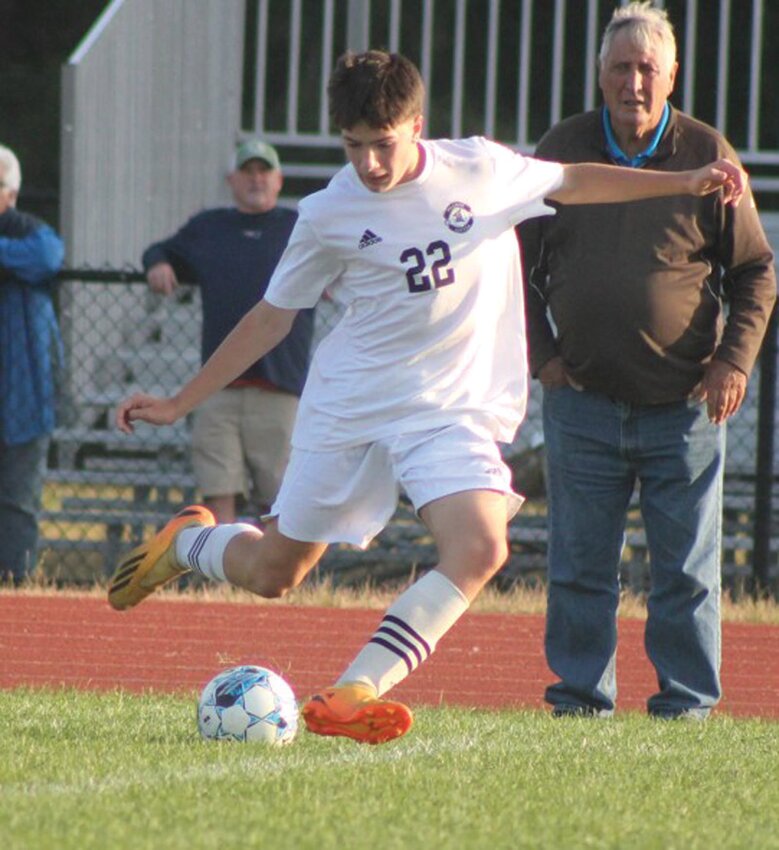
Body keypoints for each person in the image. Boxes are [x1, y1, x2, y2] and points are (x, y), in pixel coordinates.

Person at [108, 49, 748, 744]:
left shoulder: (477, 168)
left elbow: (573, 181)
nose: (370, 164)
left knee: (478, 548)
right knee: (273, 572)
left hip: (446, 410)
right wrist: (180, 401)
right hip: (351, 405)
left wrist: (683, 181)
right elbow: (271, 316)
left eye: (383, 145)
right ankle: (189, 543)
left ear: (416, 124)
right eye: (354, 147)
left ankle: (353, 691)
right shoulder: (328, 212)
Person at [518, 2, 776, 719]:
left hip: (684, 407)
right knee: (577, 569)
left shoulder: (706, 152)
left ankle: (685, 707)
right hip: (581, 401)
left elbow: (755, 271)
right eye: (619, 67)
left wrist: (732, 362)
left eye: (646, 69)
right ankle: (577, 701)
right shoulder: (561, 148)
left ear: (671, 76)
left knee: (686, 574)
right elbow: (514, 261)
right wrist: (542, 358)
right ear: (598, 74)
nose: (632, 81)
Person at [142, 140, 314, 522]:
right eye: (248, 171)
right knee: (218, 494)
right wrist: (158, 262)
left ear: (279, 179)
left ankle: (273, 580)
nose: (256, 179)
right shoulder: (209, 227)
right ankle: (221, 578)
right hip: (217, 387)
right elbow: (159, 250)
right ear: (231, 180)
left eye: (263, 171)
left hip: (280, 385)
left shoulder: (300, 226)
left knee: (281, 502)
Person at [0, 144, 65, 584]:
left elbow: (46, 258)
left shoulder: (31, 232)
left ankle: (14, 590)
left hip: (21, 400)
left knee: (18, 504)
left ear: (12, 192)